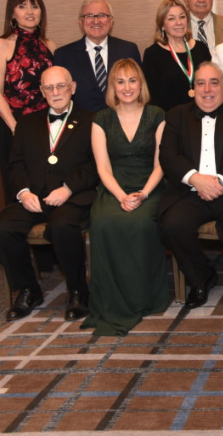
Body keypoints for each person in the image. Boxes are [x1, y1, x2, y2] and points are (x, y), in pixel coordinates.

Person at [0, 66, 97, 322]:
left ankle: (78, 291)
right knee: (0, 230)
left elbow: (96, 164)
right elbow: (15, 164)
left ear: (73, 88)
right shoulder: (27, 123)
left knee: (62, 226)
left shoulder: (92, 120)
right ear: (42, 91)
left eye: (61, 86)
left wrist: (68, 188)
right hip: (33, 197)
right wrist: (24, 193)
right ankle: (28, 289)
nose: (56, 92)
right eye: (49, 87)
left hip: (72, 196)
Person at [159, 62, 223, 314]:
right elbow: (168, 155)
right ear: (193, 89)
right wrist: (195, 179)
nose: (207, 90)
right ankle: (202, 277)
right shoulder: (176, 115)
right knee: (172, 224)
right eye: (201, 83)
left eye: (213, 83)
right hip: (191, 191)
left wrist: (220, 181)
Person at [81, 59, 169, 336]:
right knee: (103, 222)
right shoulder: (101, 119)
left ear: (141, 84)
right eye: (120, 81)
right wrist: (121, 196)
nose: (127, 87)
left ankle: (143, 297)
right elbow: (102, 168)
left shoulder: (157, 115)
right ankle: (112, 298)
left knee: (140, 223)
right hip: (113, 188)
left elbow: (161, 163)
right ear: (113, 87)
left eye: (132, 80)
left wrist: (143, 194)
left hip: (150, 186)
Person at [0, 0, 55, 203]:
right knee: (20, 186)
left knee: (48, 181)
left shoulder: (49, 45)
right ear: (12, 13)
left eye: (35, 6)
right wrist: (16, 128)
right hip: (14, 124)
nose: (30, 12)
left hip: (46, 125)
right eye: (22, 6)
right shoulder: (1, 44)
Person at [53, 0, 142, 113]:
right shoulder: (63, 55)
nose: (96, 21)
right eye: (89, 16)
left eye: (102, 15)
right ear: (80, 22)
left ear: (111, 21)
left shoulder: (128, 50)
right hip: (82, 121)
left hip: (123, 119)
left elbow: (140, 90)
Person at [142, 0, 212, 112]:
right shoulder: (153, 54)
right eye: (171, 18)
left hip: (202, 114)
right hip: (170, 118)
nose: (179, 22)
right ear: (162, 25)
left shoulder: (201, 48)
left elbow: (211, 84)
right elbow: (150, 97)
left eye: (182, 17)